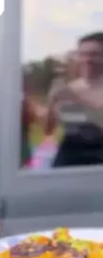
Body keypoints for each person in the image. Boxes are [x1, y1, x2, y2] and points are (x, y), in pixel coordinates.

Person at [45, 33, 103, 166]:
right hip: (69, 154)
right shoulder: (69, 88)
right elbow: (48, 129)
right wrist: (51, 101)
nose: (87, 59)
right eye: (83, 54)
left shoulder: (70, 93)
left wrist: (76, 99)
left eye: (94, 54)